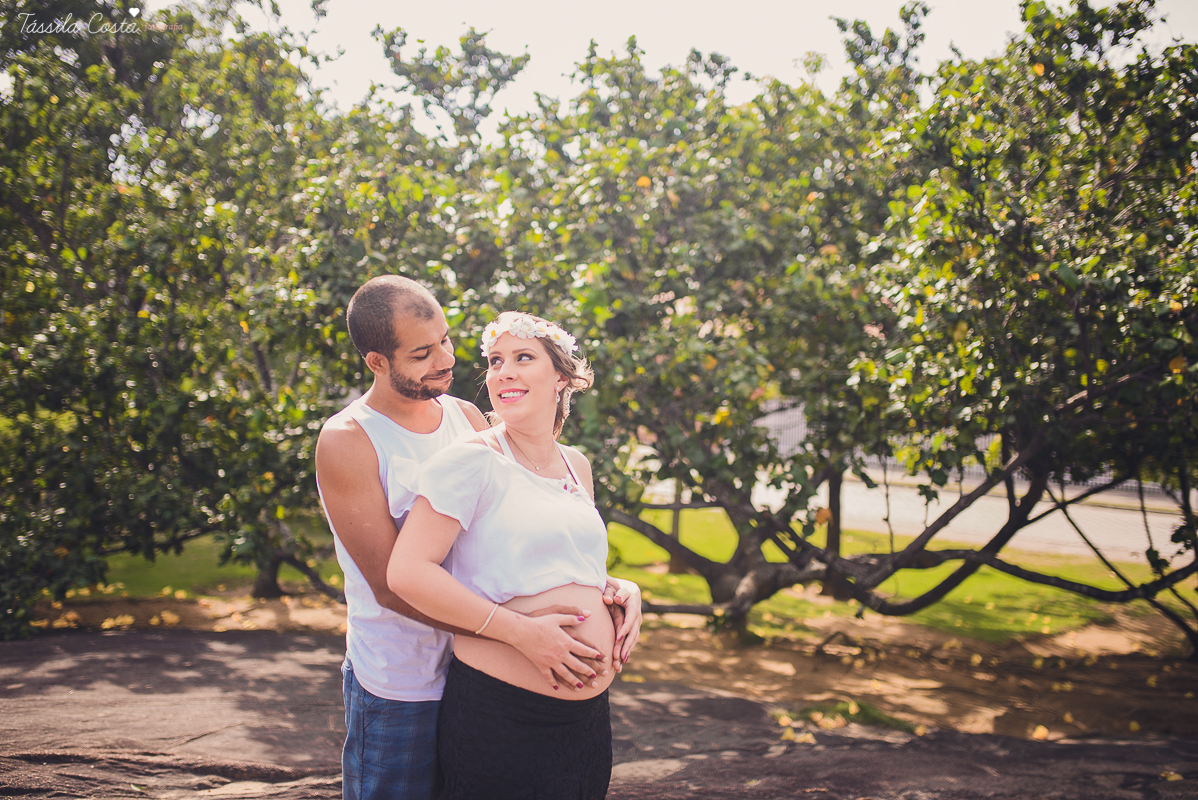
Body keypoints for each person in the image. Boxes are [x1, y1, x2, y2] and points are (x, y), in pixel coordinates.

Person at [315, 279, 640, 800]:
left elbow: (512, 528)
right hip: (404, 678)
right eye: (423, 353)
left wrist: (611, 589)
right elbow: (391, 583)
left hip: (480, 665)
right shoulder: (349, 439)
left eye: (445, 340)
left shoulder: (463, 416)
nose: (446, 359)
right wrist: (518, 633)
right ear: (377, 362)